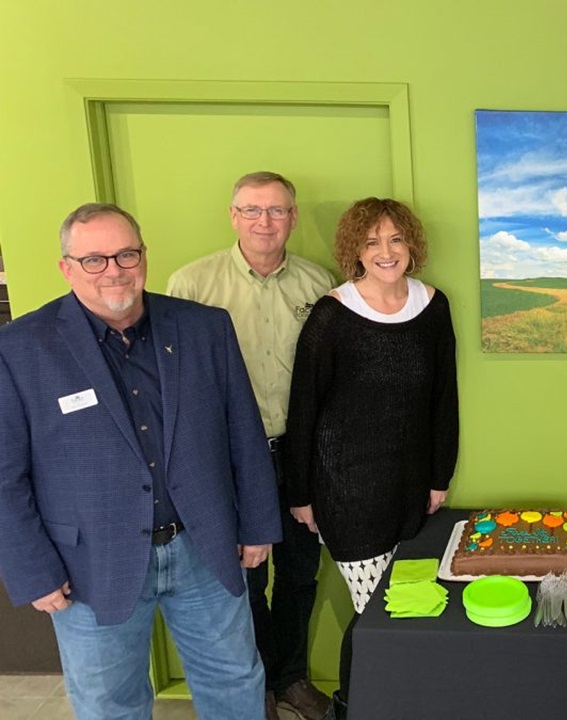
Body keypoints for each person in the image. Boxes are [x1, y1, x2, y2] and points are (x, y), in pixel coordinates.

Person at [0, 203, 281, 720]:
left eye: (126, 254)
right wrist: (31, 570)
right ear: (66, 267)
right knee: (110, 704)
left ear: (143, 256)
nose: (114, 270)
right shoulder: (20, 349)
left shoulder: (204, 328)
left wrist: (258, 523)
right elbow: (4, 476)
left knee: (236, 682)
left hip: (204, 547)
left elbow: (244, 431)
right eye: (94, 259)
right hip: (88, 564)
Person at [166, 172, 333, 720]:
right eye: (253, 210)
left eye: (278, 210)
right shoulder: (191, 284)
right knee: (242, 577)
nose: (266, 222)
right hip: (231, 458)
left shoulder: (318, 283)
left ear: (294, 216)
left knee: (301, 574)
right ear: (233, 215)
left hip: (301, 453)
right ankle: (254, 683)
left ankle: (291, 678)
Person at [285, 197, 459, 719]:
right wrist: (300, 495)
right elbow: (304, 409)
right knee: (377, 616)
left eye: (396, 239)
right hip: (346, 492)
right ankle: (359, 706)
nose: (386, 252)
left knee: (409, 609)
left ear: (411, 245)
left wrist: (438, 477)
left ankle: (397, 704)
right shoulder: (332, 314)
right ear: (354, 250)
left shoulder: (433, 306)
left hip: (411, 491)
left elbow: (443, 399)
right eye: (371, 242)